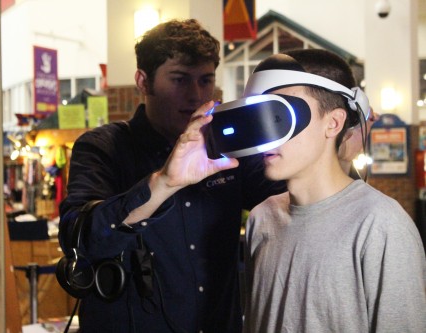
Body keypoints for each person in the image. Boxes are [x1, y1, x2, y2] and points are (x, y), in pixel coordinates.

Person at [58, 19, 285, 332]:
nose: (195, 95)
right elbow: (80, 238)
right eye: (179, 80)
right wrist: (164, 183)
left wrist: (327, 141)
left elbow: (293, 197)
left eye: (205, 81)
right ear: (143, 81)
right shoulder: (104, 147)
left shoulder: (228, 149)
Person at [242, 49, 426, 332]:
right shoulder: (261, 217)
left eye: (281, 115)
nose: (268, 133)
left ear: (334, 123)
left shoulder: (381, 226)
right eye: (261, 115)